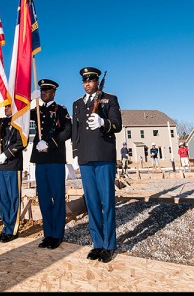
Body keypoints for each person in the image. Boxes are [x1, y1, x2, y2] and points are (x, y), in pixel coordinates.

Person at [71, 67, 122, 263]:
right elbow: (76, 131)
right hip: (85, 159)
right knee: (91, 203)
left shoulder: (110, 99)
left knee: (106, 202)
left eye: (91, 80)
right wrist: (76, 153)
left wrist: (103, 122)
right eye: (84, 80)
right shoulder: (77, 104)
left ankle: (109, 245)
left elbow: (118, 125)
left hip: (103, 157)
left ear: (96, 80)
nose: (87, 83)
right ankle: (97, 243)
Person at [29, 78, 72, 250]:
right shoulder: (36, 110)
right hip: (40, 160)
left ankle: (57, 235)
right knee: (44, 198)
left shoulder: (61, 110)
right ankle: (48, 234)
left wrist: (51, 142)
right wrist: (29, 99)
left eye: (46, 91)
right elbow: (20, 116)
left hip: (54, 158)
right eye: (41, 91)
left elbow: (68, 130)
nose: (43, 93)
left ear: (53, 92)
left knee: (58, 197)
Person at [0, 104, 26, 243]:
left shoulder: (20, 121)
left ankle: (13, 230)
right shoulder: (2, 122)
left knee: (13, 198)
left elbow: (22, 142)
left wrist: (6, 154)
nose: (5, 109)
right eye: (4, 107)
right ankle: (6, 227)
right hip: (0, 166)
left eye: (8, 107)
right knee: (3, 198)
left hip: (12, 164)